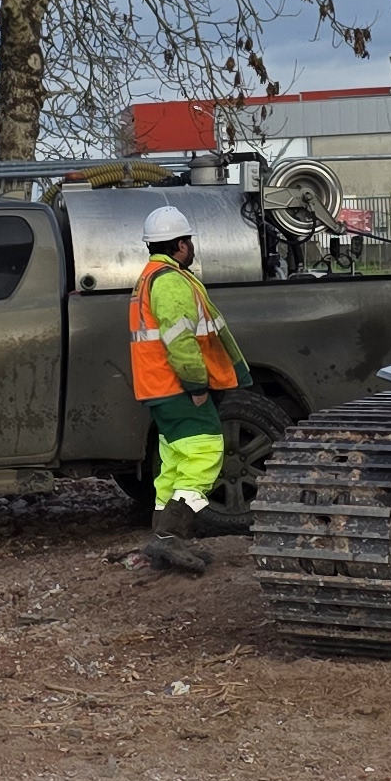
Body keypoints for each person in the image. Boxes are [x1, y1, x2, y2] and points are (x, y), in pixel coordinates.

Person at [127, 204, 242, 573]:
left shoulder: (150, 277)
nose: (191, 247)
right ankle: (171, 537)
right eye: (188, 240)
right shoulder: (171, 281)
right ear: (179, 244)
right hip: (176, 386)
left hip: (157, 388)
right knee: (205, 453)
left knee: (174, 464)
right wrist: (196, 384)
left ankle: (161, 541)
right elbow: (181, 340)